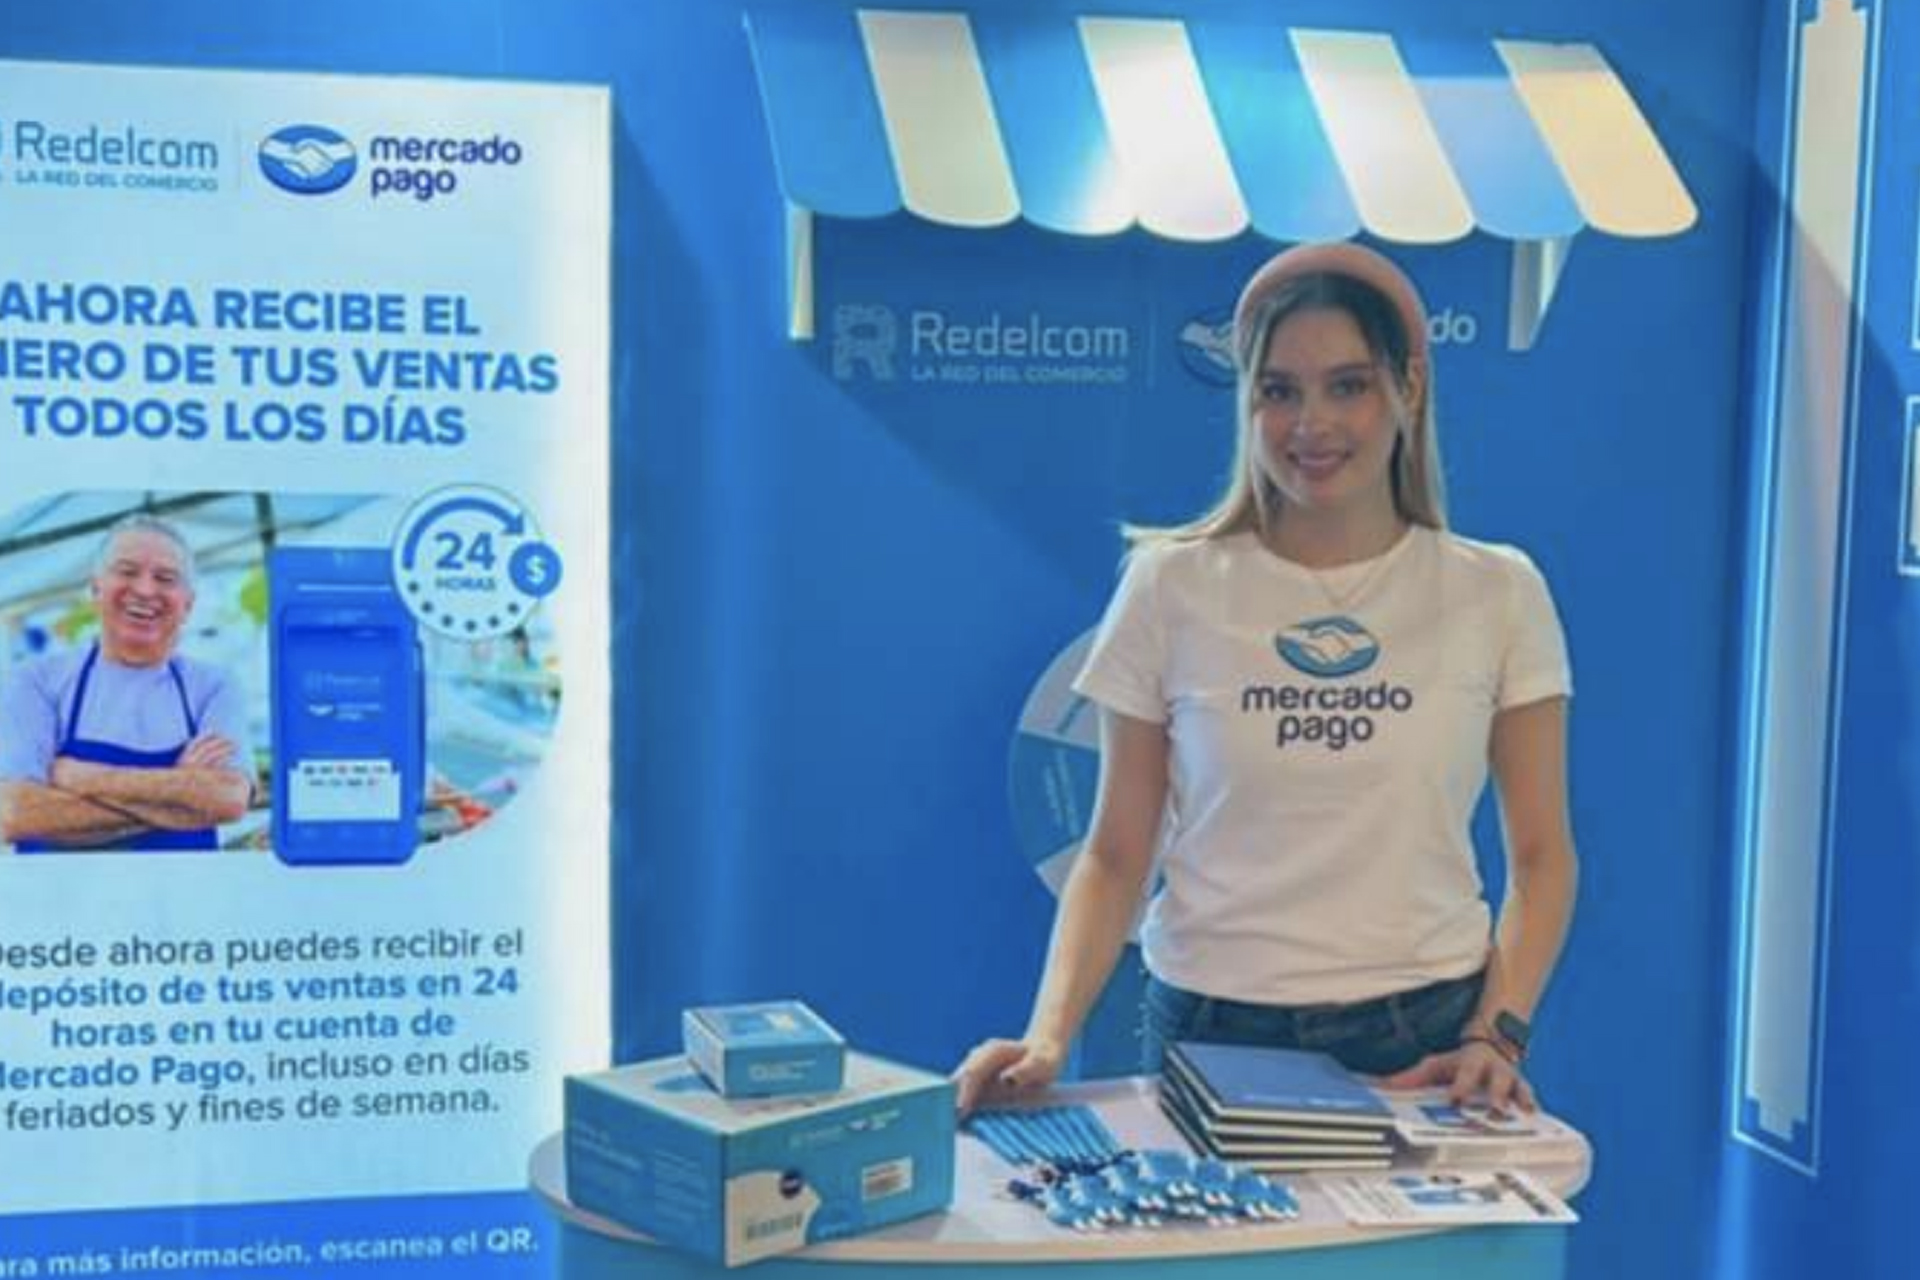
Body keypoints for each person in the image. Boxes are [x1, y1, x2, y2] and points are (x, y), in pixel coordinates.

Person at [955, 242, 1577, 1115]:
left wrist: (1495, 1034)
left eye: (1348, 386)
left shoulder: (1497, 591)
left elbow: (1543, 858)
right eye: (1279, 391)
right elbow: (1116, 852)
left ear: (1408, 389)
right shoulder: (1169, 584)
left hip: (1424, 1040)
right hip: (1210, 1033)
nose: (1310, 423)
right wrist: (1048, 1035)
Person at [0, 514, 251, 852]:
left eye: (165, 578)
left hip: (182, 887)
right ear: (96, 589)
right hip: (63, 889)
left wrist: (84, 779)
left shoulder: (213, 686)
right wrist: (182, 793)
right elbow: (17, 815)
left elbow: (229, 799)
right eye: (127, 571)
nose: (145, 590)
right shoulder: (36, 680)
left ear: (188, 604)